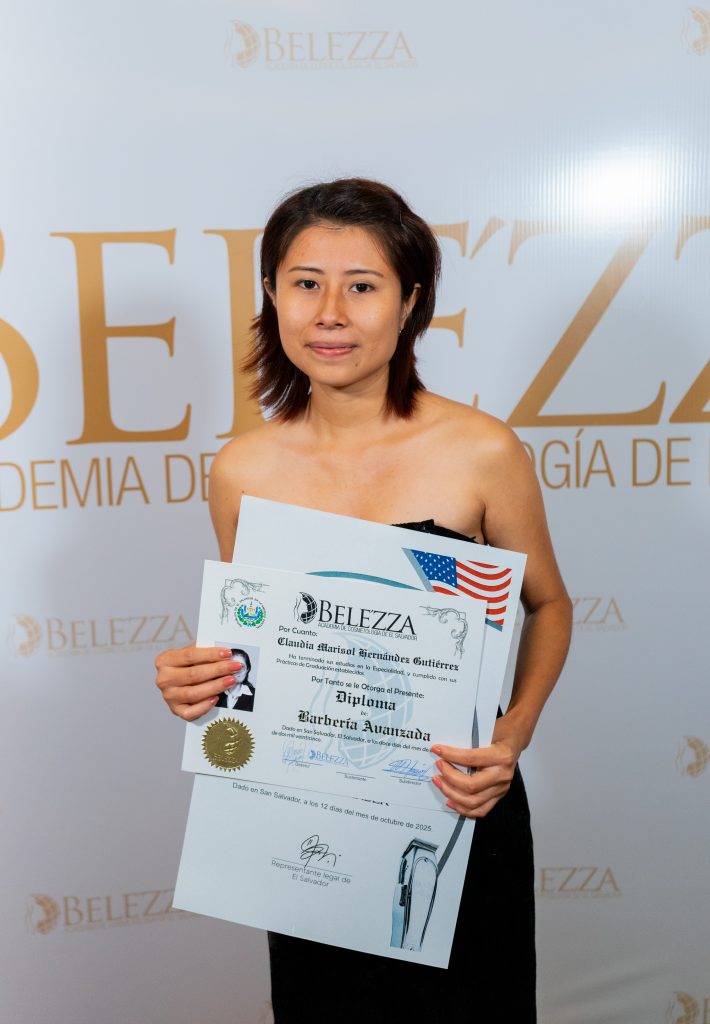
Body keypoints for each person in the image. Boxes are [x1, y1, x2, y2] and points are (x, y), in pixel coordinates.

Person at [155, 178, 572, 1023]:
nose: (330, 313)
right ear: (271, 293)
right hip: (308, 828)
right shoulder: (242, 470)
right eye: (306, 283)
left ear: (411, 301)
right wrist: (200, 683)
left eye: (363, 286)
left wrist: (513, 734)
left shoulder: (481, 450)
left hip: (453, 805)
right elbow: (260, 653)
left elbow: (550, 604)